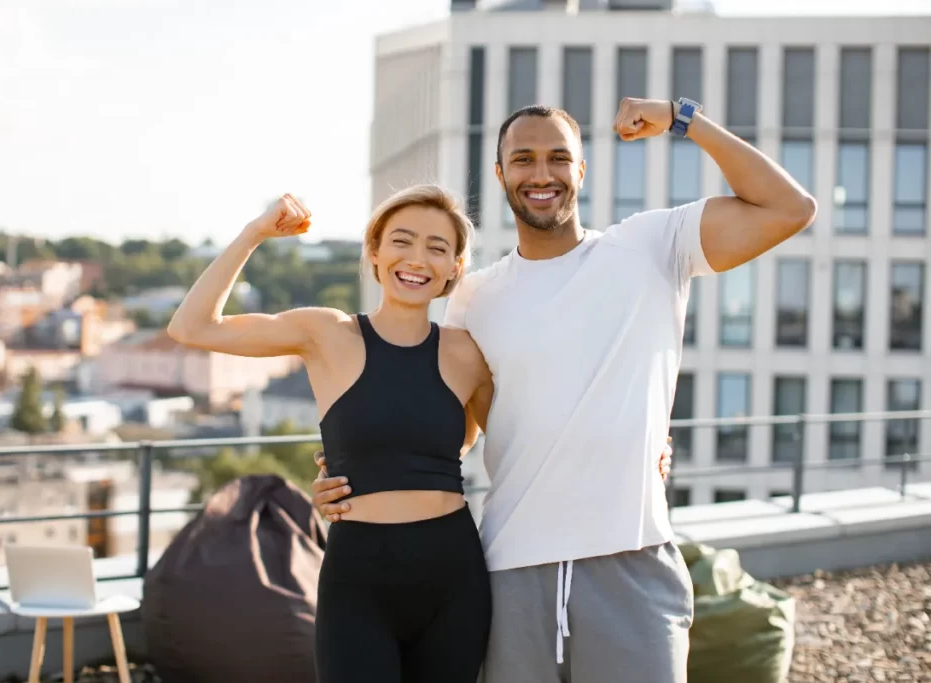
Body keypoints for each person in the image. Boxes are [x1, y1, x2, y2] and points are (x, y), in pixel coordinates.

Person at [311, 97, 818, 683]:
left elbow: (790, 207)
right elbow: (451, 431)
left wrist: (684, 119)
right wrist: (353, 476)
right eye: (522, 159)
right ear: (501, 175)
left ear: (581, 170)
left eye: (558, 158)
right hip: (509, 570)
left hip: (631, 560)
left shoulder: (654, 245)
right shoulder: (474, 296)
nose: (541, 173)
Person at [168, 184, 673, 683]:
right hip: (357, 578)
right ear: (375, 251)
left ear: (455, 268)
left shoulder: (466, 354)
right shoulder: (327, 333)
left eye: (438, 247)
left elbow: (522, 436)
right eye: (402, 241)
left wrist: (644, 442)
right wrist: (255, 233)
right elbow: (193, 326)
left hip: (451, 576)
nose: (417, 258)